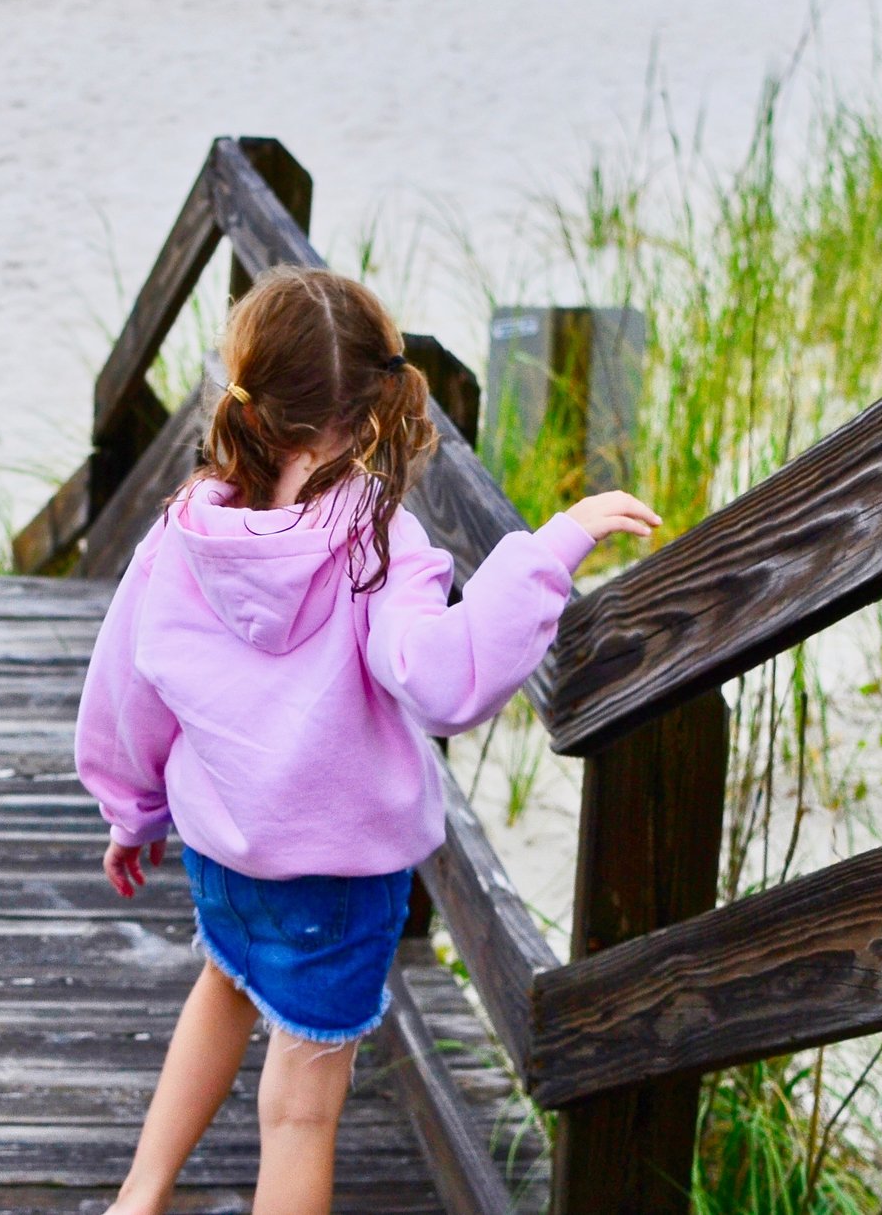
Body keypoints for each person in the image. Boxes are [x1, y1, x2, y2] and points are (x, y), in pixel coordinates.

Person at [75, 267, 656, 1215]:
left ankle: (140, 1194)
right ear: (373, 410)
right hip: (335, 881)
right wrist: (547, 550)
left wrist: (131, 808)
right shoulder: (382, 545)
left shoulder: (185, 532)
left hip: (222, 851)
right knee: (301, 1111)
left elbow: (124, 689)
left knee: (222, 981)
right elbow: (445, 678)